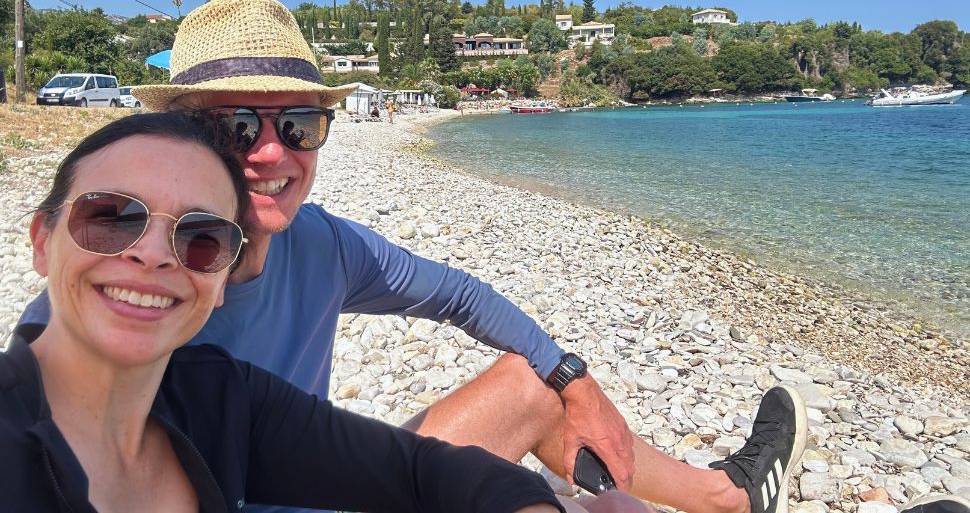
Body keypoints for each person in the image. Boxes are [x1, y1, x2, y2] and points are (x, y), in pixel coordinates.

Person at [21, 0, 807, 513]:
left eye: (296, 124)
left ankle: (723, 498)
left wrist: (574, 376)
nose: (270, 153)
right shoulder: (115, 310)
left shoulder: (319, 246)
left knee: (526, 385)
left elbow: (456, 295)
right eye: (236, 126)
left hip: (324, 485)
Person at [3, 112, 582, 512]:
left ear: (224, 269)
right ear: (41, 241)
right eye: (111, 216)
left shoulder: (222, 399)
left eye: (201, 235)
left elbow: (418, 468)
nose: (153, 254)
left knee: (534, 395)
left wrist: (571, 378)